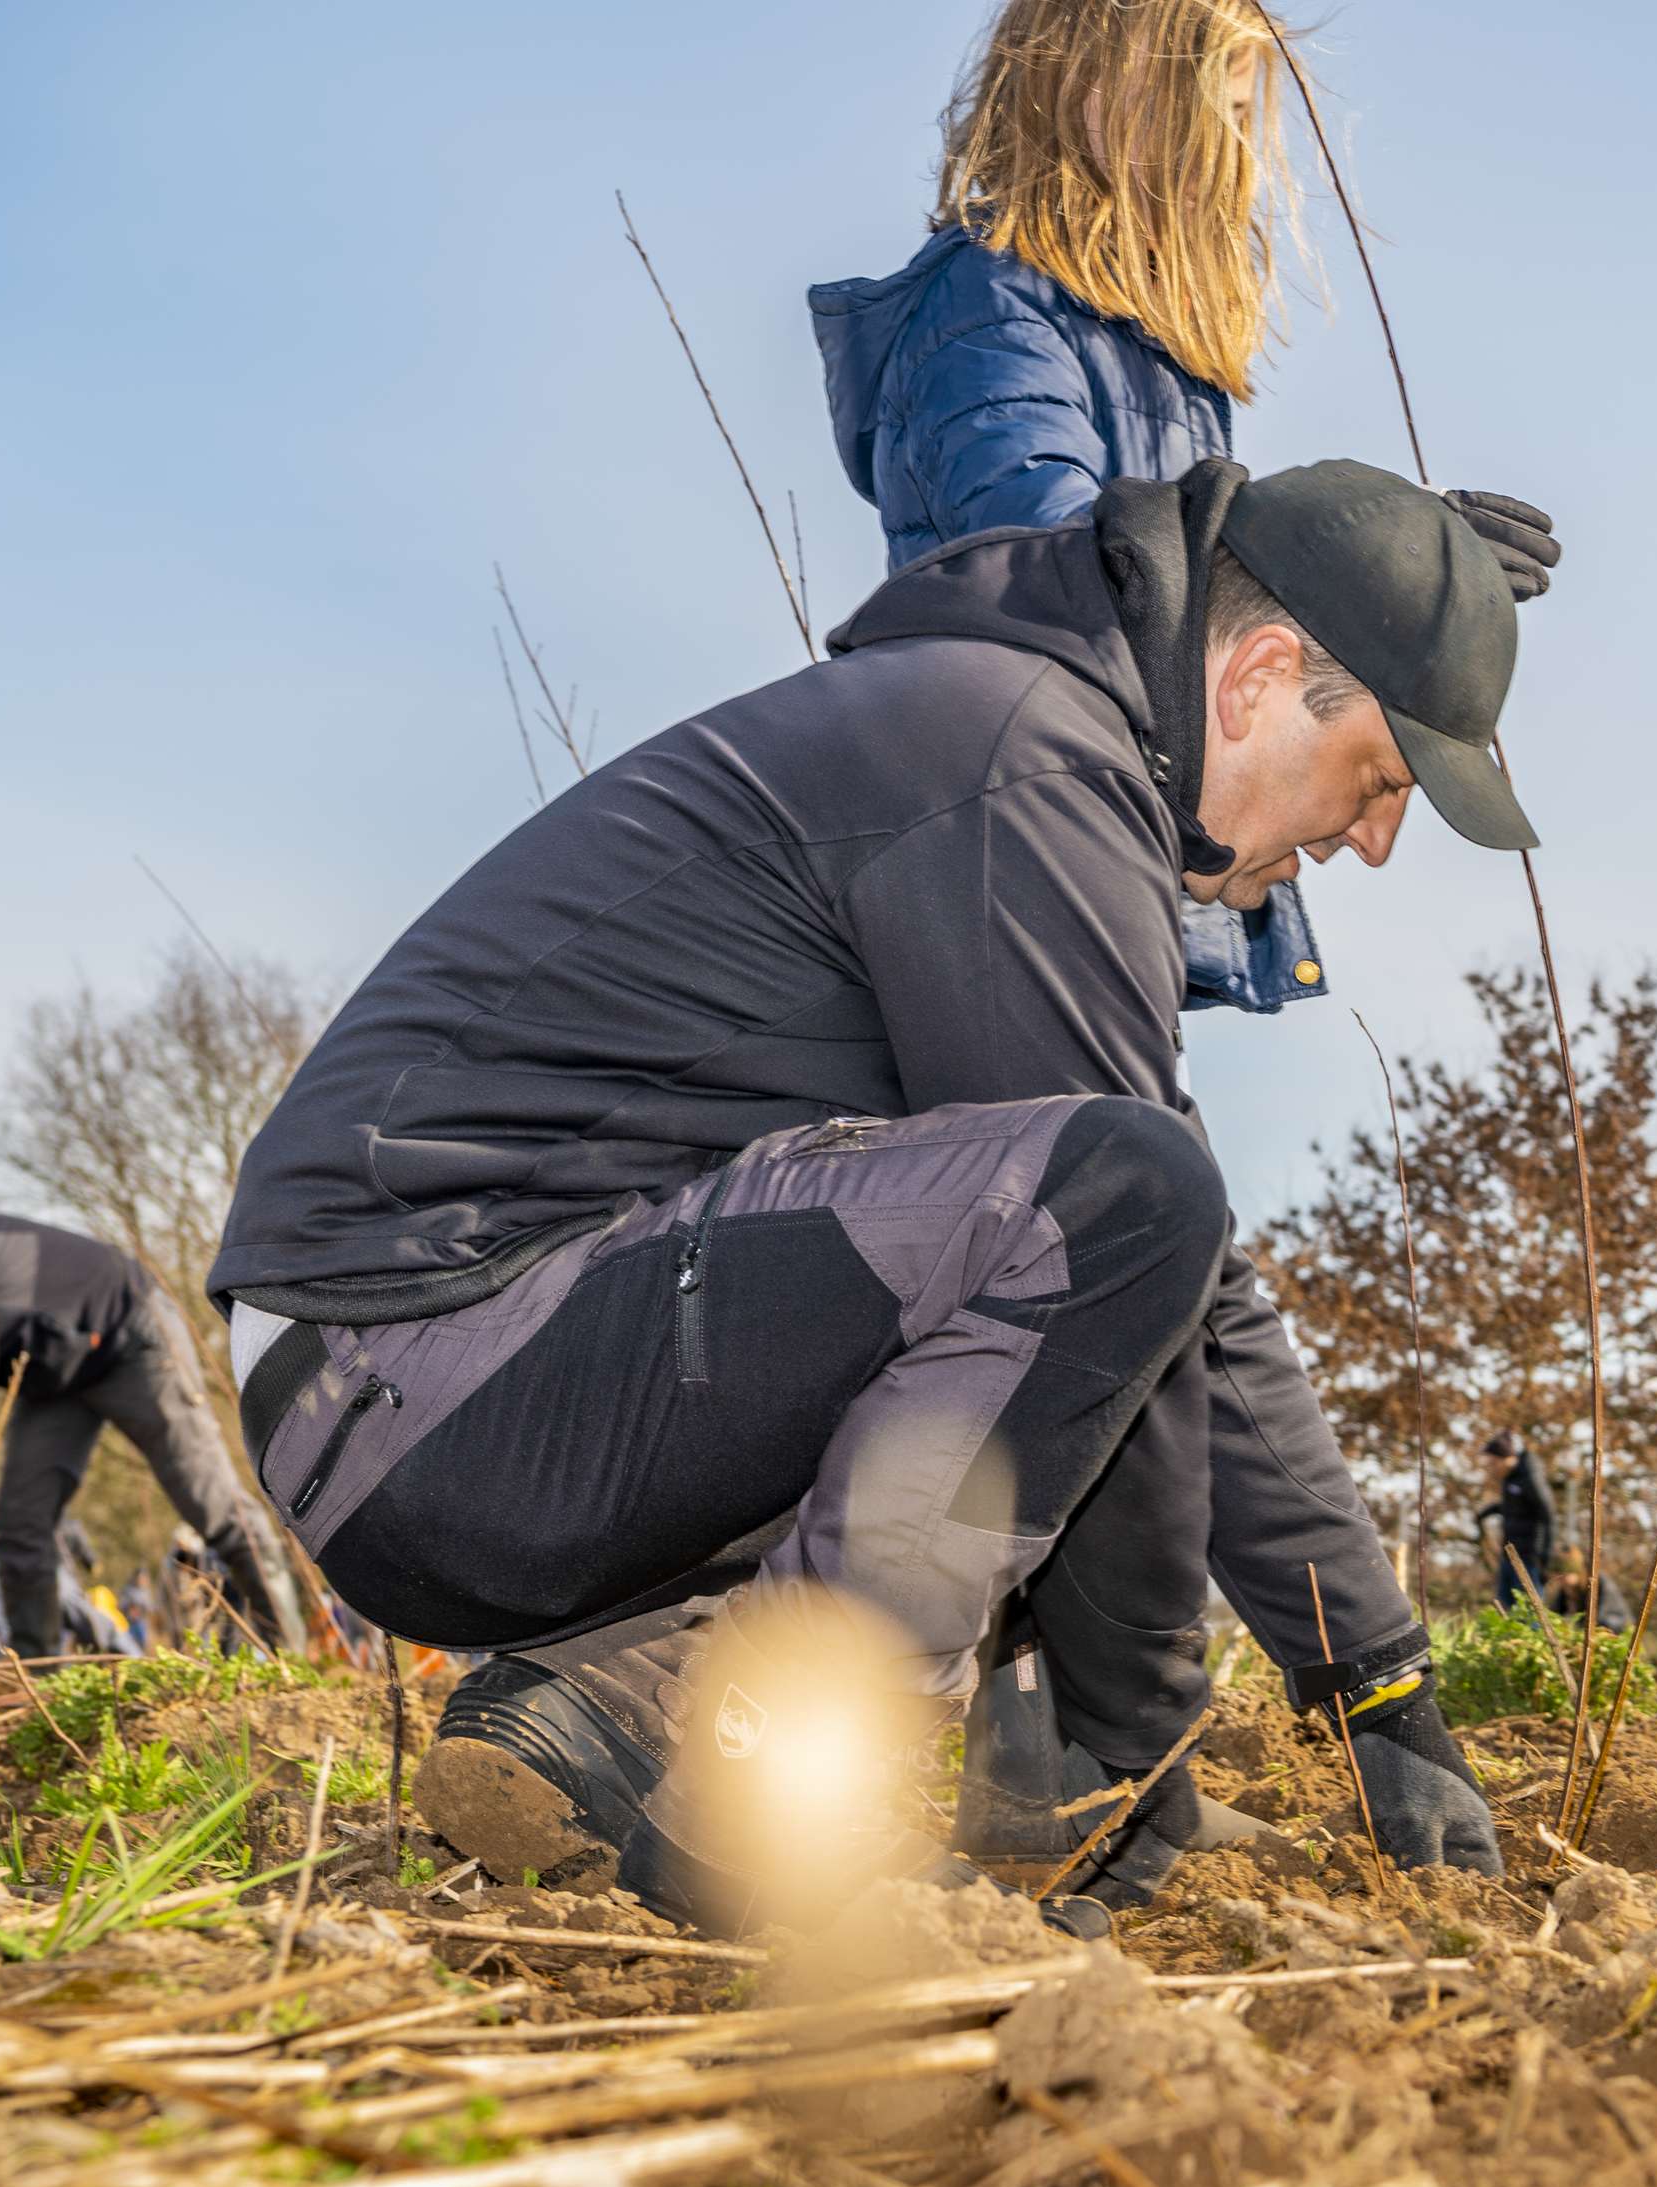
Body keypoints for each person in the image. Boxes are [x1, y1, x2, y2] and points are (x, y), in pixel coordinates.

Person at [211, 456, 1549, 1932]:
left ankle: (598, 1706)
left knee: (1060, 1240)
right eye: (1378, 778)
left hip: (434, 1379)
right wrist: (1135, 1752)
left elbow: (1146, 1310)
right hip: (428, 1368)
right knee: (1117, 1196)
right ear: (1259, 675)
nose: (1372, 838)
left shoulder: (1011, 740)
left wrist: (1379, 1682)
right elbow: (1142, 1259)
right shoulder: (1028, 765)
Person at [809, 0, 1557, 1020]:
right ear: (1093, 85)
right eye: (1215, 111)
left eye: (1248, 121)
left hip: (1114, 852)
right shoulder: (987, 311)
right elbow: (1073, 564)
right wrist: (1374, 545)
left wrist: (1400, 559)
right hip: (1011, 844)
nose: (1236, 153)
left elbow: (1210, 587)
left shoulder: (1162, 363)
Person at [0, 1214, 304, 1657]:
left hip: (131, 1332)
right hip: (55, 1378)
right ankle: (44, 1687)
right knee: (20, 1527)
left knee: (208, 1502)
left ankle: (287, 1653)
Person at [1473, 1431, 1555, 1612]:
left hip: (1528, 1557)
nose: (1492, 1468)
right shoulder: (1510, 1479)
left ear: (1507, 1458)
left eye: (1494, 1463)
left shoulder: (1530, 1477)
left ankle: (1533, 1639)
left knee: (1529, 1610)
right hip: (1509, 1554)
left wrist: (1544, 1559)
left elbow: (1548, 1515)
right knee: (1503, 1607)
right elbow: (1516, 1508)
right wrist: (1487, 1512)